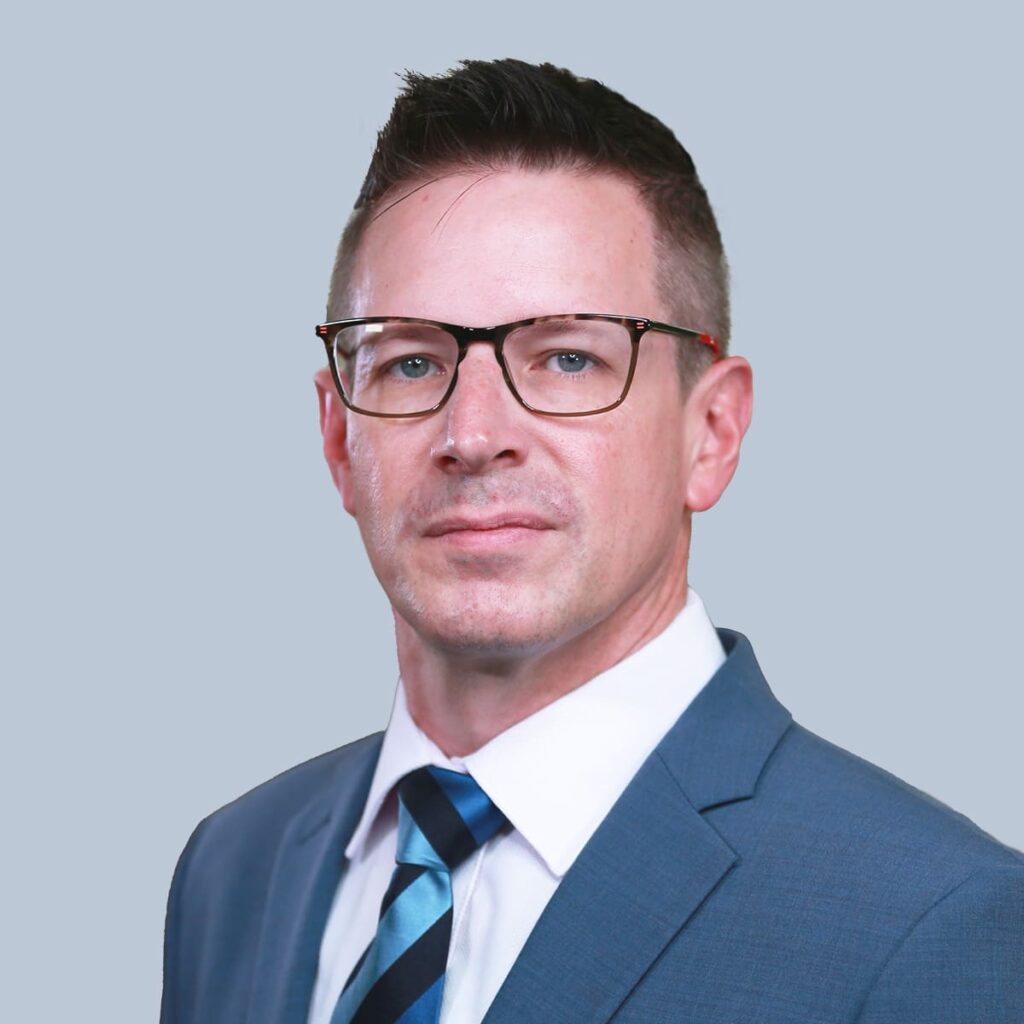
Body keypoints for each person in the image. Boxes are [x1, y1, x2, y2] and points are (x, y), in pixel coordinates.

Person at [160, 59, 1023, 1024]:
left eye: (569, 357)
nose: (474, 432)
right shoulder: (232, 871)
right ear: (336, 436)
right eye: (410, 361)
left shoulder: (936, 926)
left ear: (712, 433)